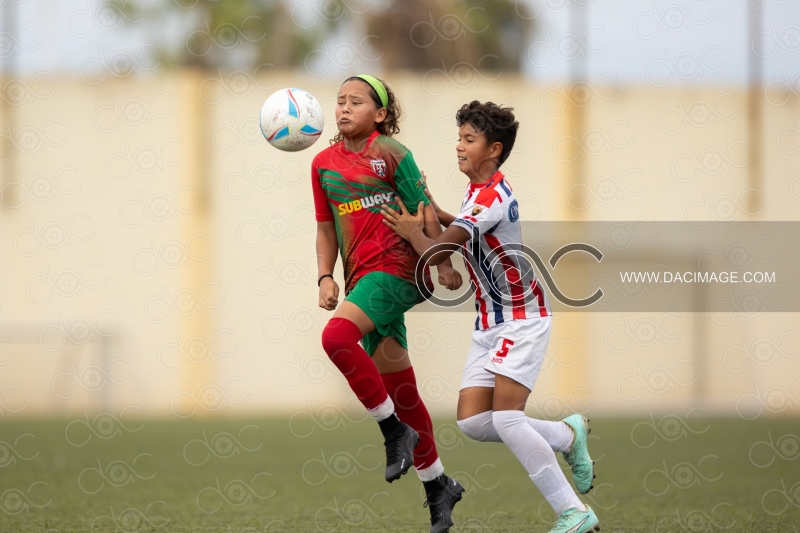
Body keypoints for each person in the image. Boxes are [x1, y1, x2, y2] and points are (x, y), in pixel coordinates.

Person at [380, 101, 600, 533]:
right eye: (459, 137)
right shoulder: (479, 191)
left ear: (493, 149)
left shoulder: (489, 197)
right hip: (490, 320)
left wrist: (412, 232)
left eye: (469, 140)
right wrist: (432, 211)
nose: (459, 147)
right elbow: (458, 228)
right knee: (474, 421)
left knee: (507, 418)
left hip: (521, 316)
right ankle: (566, 436)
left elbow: (442, 249)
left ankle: (574, 512)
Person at [311, 74, 466, 533]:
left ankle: (392, 430)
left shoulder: (393, 154)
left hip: (400, 270)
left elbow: (425, 209)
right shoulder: (321, 163)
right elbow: (324, 228)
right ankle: (439, 486)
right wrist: (324, 275)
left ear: (379, 114)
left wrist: (441, 263)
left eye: (356, 102)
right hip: (362, 281)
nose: (343, 108)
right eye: (339, 101)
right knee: (402, 392)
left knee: (336, 336)